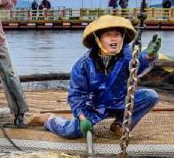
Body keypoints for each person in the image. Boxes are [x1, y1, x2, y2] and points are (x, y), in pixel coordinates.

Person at [27, 15, 161, 139]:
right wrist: (82, 118)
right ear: (98, 39)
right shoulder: (83, 65)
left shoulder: (126, 55)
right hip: (95, 107)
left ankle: (120, 124)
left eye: (117, 35)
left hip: (120, 101)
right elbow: (76, 96)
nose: (114, 38)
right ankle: (48, 120)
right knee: (72, 132)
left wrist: (149, 56)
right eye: (108, 35)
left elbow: (137, 67)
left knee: (151, 96)